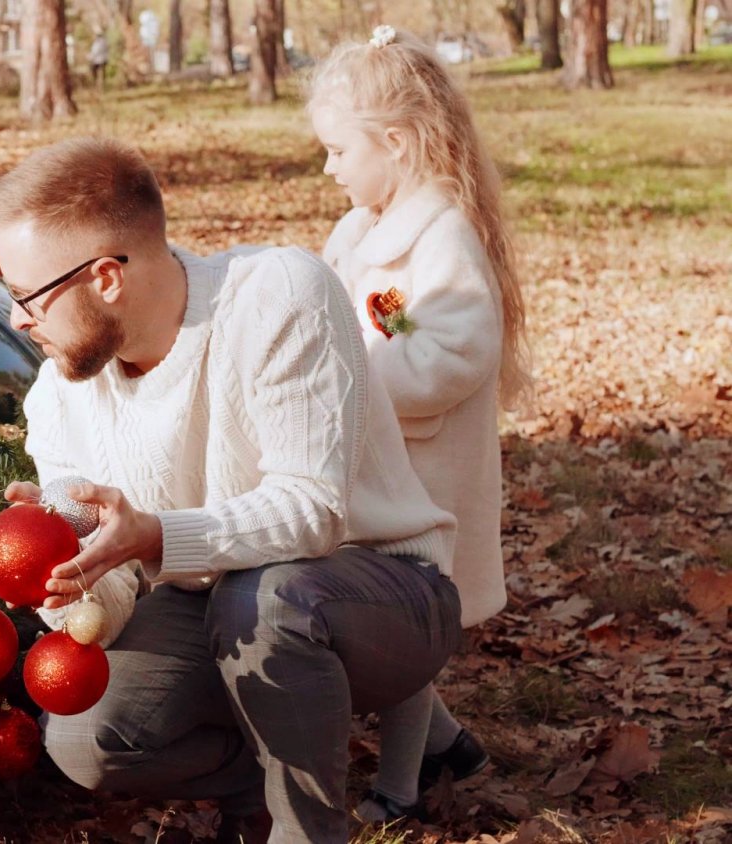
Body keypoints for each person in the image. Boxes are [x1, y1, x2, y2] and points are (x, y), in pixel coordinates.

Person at [0, 136, 462, 843]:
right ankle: (259, 781)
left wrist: (157, 536)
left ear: (107, 277)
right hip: (215, 606)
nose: (16, 318)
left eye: (27, 295)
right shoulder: (61, 397)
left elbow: (312, 511)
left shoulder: (278, 293)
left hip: (384, 593)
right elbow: (105, 604)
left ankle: (307, 831)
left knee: (264, 597)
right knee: (87, 739)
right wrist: (56, 574)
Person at [309, 25, 533, 821]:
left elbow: (451, 355)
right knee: (380, 622)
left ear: (396, 143)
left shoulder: (441, 239)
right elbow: (360, 321)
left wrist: (357, 375)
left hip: (425, 475)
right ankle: (451, 748)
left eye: (339, 150)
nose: (328, 167)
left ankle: (398, 792)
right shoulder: (359, 233)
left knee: (405, 638)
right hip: (373, 464)